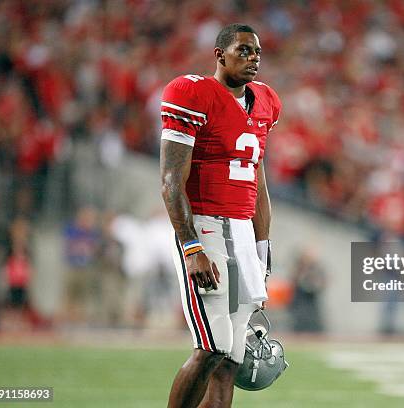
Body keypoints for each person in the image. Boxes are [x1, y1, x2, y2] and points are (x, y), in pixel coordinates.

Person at [159, 23, 280, 408]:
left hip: (243, 232)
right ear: (219, 55)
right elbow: (170, 180)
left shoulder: (265, 101)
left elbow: (258, 182)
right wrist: (191, 245)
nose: (253, 59)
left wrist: (262, 247)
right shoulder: (192, 93)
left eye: (257, 52)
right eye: (243, 51)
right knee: (211, 348)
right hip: (206, 228)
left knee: (231, 359)